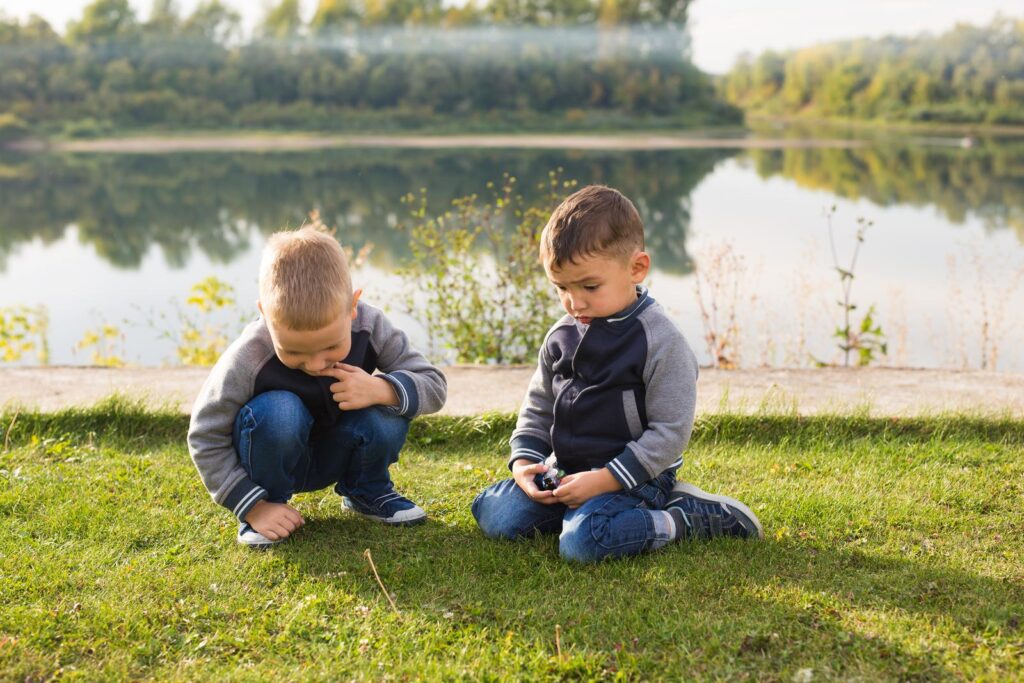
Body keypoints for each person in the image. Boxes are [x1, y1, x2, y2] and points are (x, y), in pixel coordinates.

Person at [472, 185, 762, 562]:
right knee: (495, 515)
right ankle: (577, 509)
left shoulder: (660, 340)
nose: (575, 303)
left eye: (590, 286)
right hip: (568, 470)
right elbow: (539, 406)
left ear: (636, 268)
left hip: (636, 476)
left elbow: (670, 434)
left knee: (583, 544)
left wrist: (605, 480)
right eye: (561, 288)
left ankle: (686, 516)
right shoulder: (562, 334)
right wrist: (525, 465)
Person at [187, 226, 446, 548]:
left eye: (331, 346)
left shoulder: (371, 324)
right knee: (280, 410)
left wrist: (381, 390)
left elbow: (433, 384)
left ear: (353, 306)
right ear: (265, 315)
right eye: (293, 351)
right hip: (272, 453)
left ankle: (366, 491)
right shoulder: (248, 355)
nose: (314, 364)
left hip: (338, 450)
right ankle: (270, 506)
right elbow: (205, 433)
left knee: (390, 404)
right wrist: (251, 505)